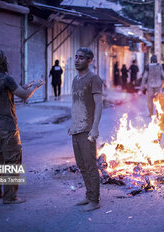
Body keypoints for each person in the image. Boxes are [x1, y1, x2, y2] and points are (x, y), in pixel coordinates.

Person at [0, 48, 44, 204]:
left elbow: (7, 90)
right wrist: (35, 86)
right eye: (5, 58)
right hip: (9, 127)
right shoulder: (6, 78)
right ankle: (10, 197)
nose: (7, 61)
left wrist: (24, 85)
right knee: (13, 161)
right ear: (1, 61)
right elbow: (24, 96)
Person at [69, 47, 103, 211]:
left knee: (90, 165)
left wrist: (94, 128)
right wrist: (72, 123)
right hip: (75, 128)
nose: (77, 60)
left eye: (81, 58)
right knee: (81, 165)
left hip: (87, 129)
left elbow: (99, 104)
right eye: (76, 57)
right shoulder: (75, 79)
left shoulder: (94, 79)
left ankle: (94, 201)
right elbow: (76, 104)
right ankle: (88, 196)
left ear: (89, 61)